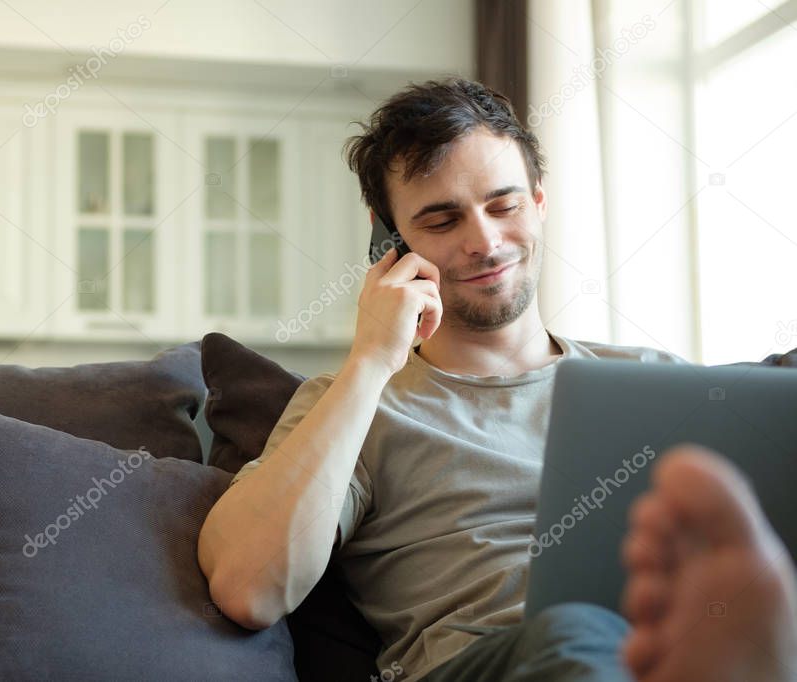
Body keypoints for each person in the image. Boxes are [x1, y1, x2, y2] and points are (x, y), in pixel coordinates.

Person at [196, 77, 797, 681]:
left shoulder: (657, 381)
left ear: (538, 202)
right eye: (441, 220)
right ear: (389, 238)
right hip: (490, 662)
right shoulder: (356, 402)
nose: (484, 242)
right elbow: (249, 587)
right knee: (576, 628)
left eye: (504, 206)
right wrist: (372, 361)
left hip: (674, 654)